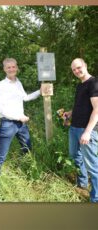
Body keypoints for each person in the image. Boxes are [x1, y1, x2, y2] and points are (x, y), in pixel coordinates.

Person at [0, 58, 41, 173]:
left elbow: (26, 98)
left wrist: (40, 91)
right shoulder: (0, 86)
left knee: (27, 149)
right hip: (8, 124)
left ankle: (18, 168)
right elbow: (0, 109)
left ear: (17, 68)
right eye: (8, 67)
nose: (11, 69)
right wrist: (18, 117)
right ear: (4, 69)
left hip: (21, 124)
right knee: (1, 156)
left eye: (13, 67)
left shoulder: (18, 83)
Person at [64, 58, 98, 202]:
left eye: (78, 67)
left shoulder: (94, 83)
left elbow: (97, 109)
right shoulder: (80, 85)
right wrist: (70, 113)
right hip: (74, 127)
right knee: (75, 155)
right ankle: (82, 182)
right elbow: (82, 105)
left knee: (92, 164)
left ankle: (95, 197)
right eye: (74, 69)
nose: (77, 71)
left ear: (85, 65)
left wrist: (88, 131)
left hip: (86, 130)